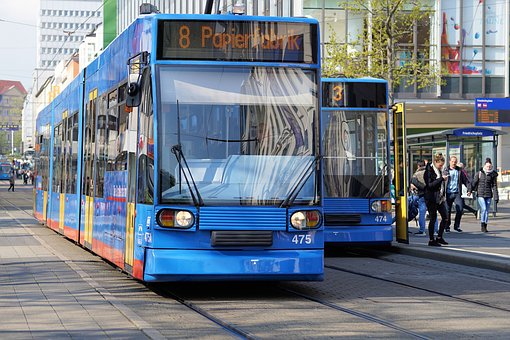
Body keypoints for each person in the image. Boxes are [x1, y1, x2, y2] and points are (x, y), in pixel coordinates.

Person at [424, 153, 450, 246]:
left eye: (442, 165)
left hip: (440, 198)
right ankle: (431, 240)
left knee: (445, 218)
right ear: (435, 162)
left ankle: (439, 237)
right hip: (431, 198)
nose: (441, 167)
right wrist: (441, 179)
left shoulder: (440, 171)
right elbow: (430, 185)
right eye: (440, 165)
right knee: (433, 218)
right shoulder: (429, 170)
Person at [443, 156, 471, 232]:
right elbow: (442, 181)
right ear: (449, 161)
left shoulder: (459, 170)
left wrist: (469, 190)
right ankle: (447, 226)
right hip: (448, 193)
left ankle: (456, 226)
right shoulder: (446, 170)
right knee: (447, 210)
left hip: (457, 193)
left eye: (455, 161)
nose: (454, 163)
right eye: (452, 161)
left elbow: (465, 180)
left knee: (460, 209)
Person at [470, 159, 499, 232]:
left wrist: (496, 196)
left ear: (491, 166)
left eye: (489, 166)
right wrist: (469, 190)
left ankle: (485, 225)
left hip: (488, 194)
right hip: (480, 194)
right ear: (484, 166)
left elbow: (494, 186)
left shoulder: (493, 174)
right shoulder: (479, 173)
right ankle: (482, 224)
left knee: (487, 211)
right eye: (487, 166)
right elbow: (474, 182)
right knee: (484, 209)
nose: (488, 168)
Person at [410, 160, 438, 236]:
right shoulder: (431, 172)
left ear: (418, 166)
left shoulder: (416, 174)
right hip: (432, 194)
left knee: (422, 213)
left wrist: (423, 188)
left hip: (422, 195)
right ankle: (436, 230)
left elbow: (414, 182)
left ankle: (422, 230)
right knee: (433, 213)